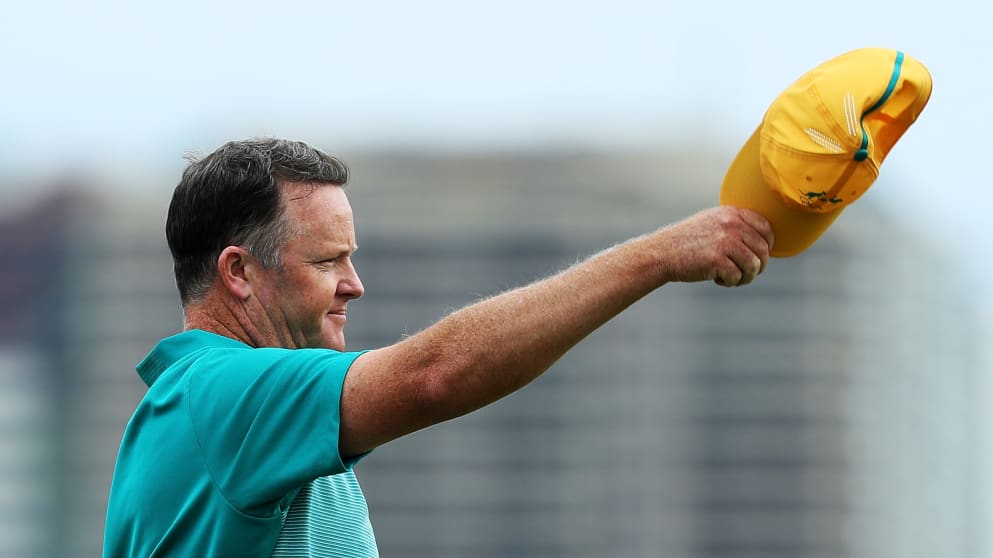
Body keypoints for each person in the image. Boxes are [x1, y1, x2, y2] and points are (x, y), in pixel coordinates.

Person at [102, 137, 773, 558]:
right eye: (328, 261)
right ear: (239, 273)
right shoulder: (222, 395)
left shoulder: (227, 411)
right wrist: (657, 256)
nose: (354, 286)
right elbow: (436, 374)